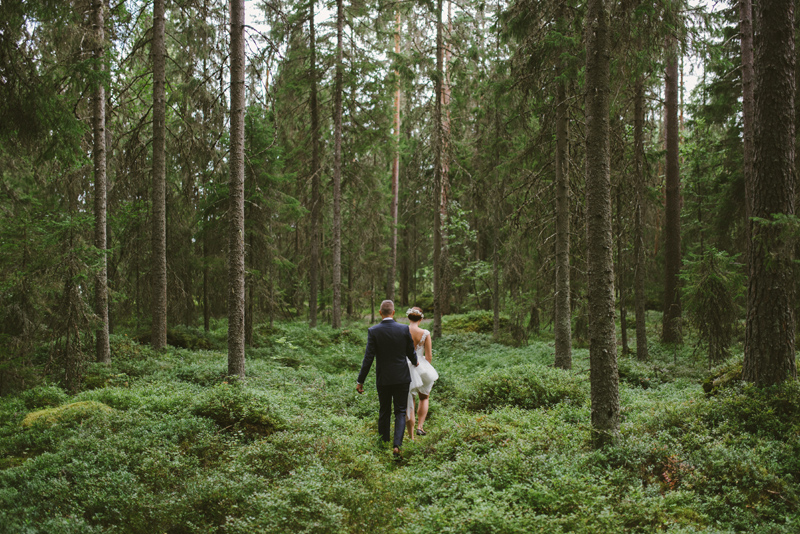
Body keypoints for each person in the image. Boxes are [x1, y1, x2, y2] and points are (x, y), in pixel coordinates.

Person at [356, 300, 418, 457]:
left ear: (379, 312)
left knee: (384, 410)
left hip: (384, 378)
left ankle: (383, 442)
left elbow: (368, 358)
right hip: (402, 377)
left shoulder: (374, 331)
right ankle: (397, 445)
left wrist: (360, 380)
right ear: (394, 312)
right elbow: (410, 351)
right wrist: (416, 361)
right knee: (400, 411)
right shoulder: (404, 329)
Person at [405, 306, 438, 438]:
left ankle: (410, 433)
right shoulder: (425, 333)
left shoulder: (402, 330)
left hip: (405, 367)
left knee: (410, 397)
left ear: (408, 317)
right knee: (424, 397)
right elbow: (428, 356)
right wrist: (425, 369)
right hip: (421, 366)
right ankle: (420, 426)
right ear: (421, 318)